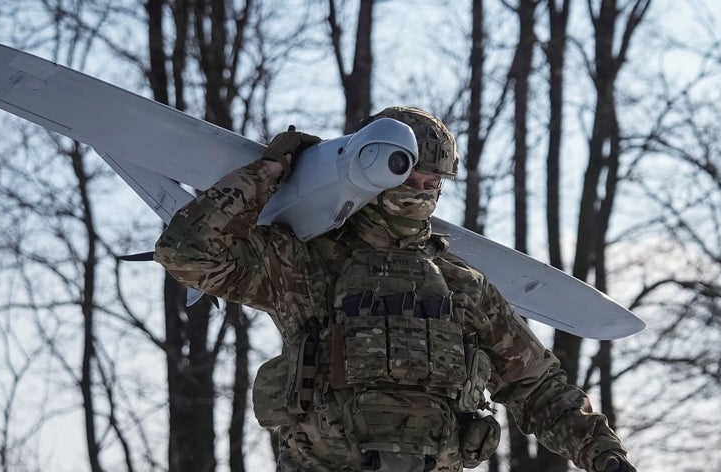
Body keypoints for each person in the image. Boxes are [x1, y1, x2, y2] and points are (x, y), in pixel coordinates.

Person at [155, 107, 636, 472]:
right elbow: (187, 253)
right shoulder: (302, 262)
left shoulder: (461, 286)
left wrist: (604, 454)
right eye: (410, 175)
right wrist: (269, 175)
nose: (422, 189)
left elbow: (537, 389)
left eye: (433, 181)